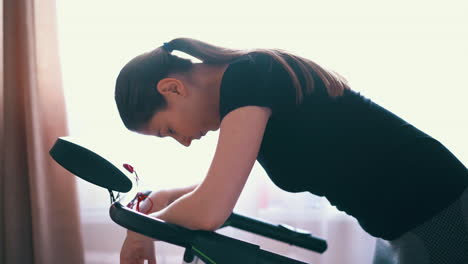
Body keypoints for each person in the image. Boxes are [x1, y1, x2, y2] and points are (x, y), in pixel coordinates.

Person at [114, 37, 468, 264]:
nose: (185, 142)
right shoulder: (246, 89)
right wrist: (164, 199)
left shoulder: (248, 77)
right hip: (402, 225)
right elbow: (221, 186)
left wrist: (142, 229)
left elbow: (211, 210)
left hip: (439, 214)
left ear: (172, 88)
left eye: (170, 130)